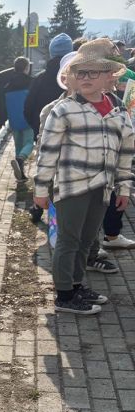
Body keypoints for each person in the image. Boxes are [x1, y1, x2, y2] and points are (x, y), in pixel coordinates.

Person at [33, 38, 135, 315]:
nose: (86, 78)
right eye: (80, 72)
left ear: (109, 75)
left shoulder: (117, 109)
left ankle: (76, 285)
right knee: (69, 240)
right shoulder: (63, 110)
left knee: (87, 240)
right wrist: (41, 189)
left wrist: (124, 188)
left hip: (102, 187)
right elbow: (48, 153)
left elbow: (125, 151)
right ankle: (64, 294)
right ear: (72, 77)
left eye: (93, 72)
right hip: (72, 187)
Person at [25, 34, 73, 222]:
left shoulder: (40, 79)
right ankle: (60, 220)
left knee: (44, 169)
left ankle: (38, 207)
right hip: (71, 141)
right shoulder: (75, 80)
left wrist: (37, 129)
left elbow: (28, 108)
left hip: (43, 133)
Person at [4, 56, 33, 181]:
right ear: (26, 68)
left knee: (18, 145)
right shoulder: (31, 82)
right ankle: (21, 159)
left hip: (14, 120)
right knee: (29, 143)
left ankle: (21, 175)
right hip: (27, 118)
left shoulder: (8, 84)